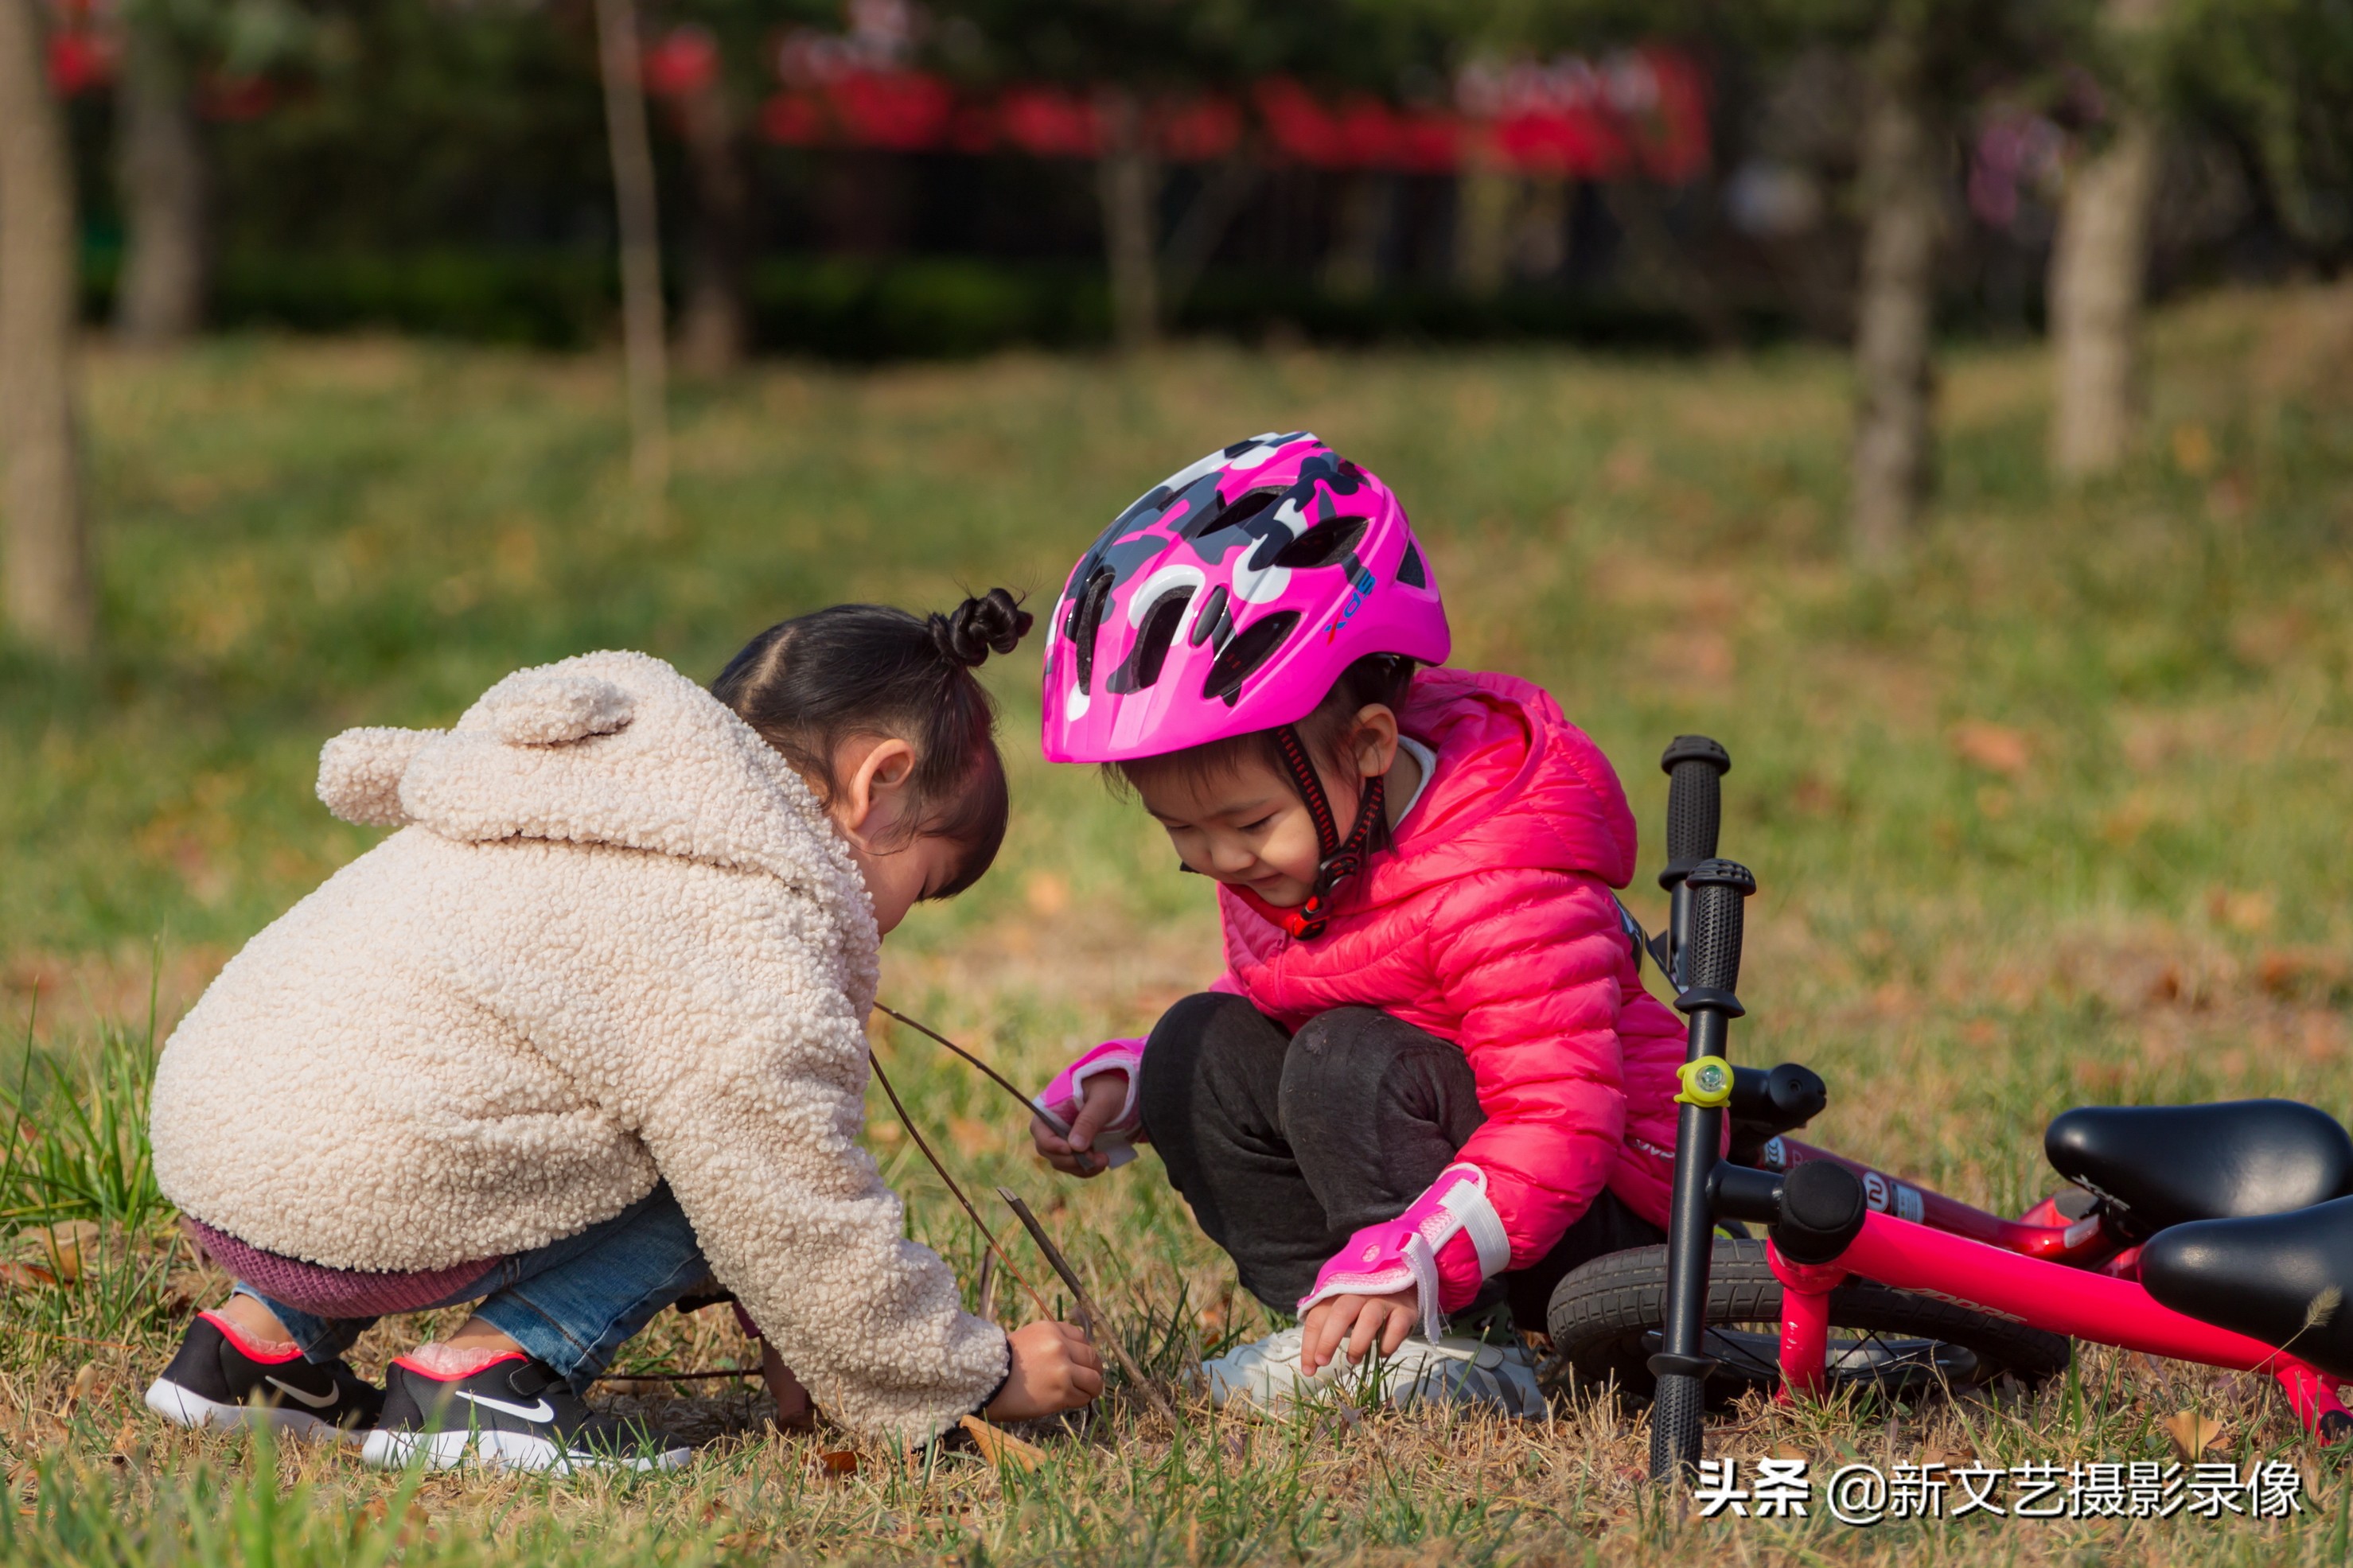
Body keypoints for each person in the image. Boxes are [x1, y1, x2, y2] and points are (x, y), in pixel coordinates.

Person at [144, 592, 1101, 1471]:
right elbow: (787, 1207)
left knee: (440, 1085)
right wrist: (967, 1374)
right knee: (721, 1170)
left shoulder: (597, 788)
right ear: (879, 784)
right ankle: (480, 1385)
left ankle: (252, 1351)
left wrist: (792, 1325)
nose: (891, 923)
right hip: (359, 1202)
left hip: (221, 1151)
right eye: (920, 886)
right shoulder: (744, 919)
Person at [1027, 434, 1689, 1414]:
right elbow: (1290, 1006)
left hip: (1597, 1218)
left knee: (1346, 1060)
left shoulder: (1496, 868)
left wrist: (1415, 1258)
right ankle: (1342, 1341)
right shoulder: (1310, 840)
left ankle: (1453, 1352)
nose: (1217, 858)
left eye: (1247, 824)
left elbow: (1563, 1113)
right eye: (1182, 832)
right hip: (1427, 1204)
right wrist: (1136, 1088)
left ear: (1370, 744)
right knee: (1194, 1048)